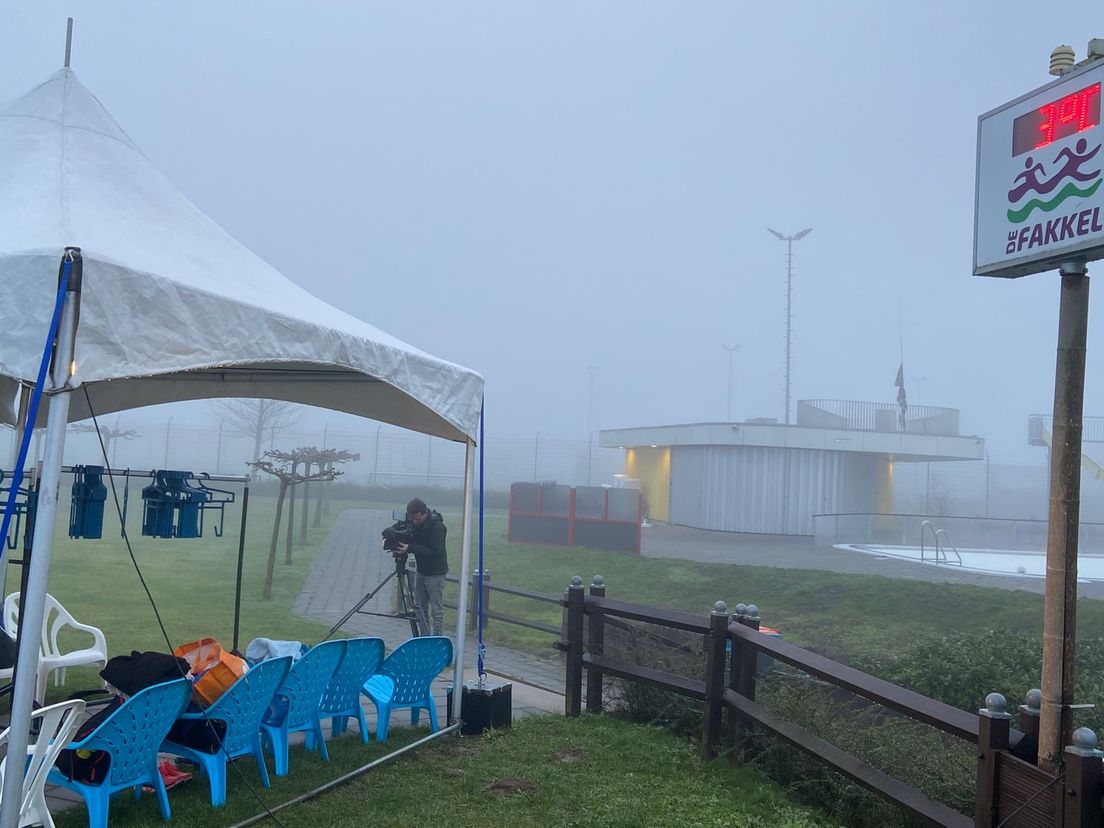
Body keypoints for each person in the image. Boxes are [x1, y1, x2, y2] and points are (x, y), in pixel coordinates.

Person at [395, 497, 448, 636]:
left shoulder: (437, 527)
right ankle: (424, 638)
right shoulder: (413, 523)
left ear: (424, 513)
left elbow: (435, 551)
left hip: (436, 573)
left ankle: (437, 640)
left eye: (418, 519)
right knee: (420, 608)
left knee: (437, 611)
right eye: (413, 519)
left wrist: (410, 547)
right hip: (421, 571)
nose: (415, 522)